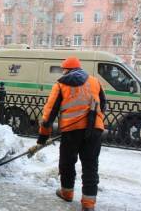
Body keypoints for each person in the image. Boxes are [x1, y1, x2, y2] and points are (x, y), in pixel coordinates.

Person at [36, 56, 106, 211]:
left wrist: (42, 137)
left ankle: (67, 193)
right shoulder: (95, 81)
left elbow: (49, 114)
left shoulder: (61, 84)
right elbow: (103, 104)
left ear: (66, 70)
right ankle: (88, 203)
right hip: (94, 129)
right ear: (79, 68)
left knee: (67, 163)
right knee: (90, 165)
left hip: (71, 131)